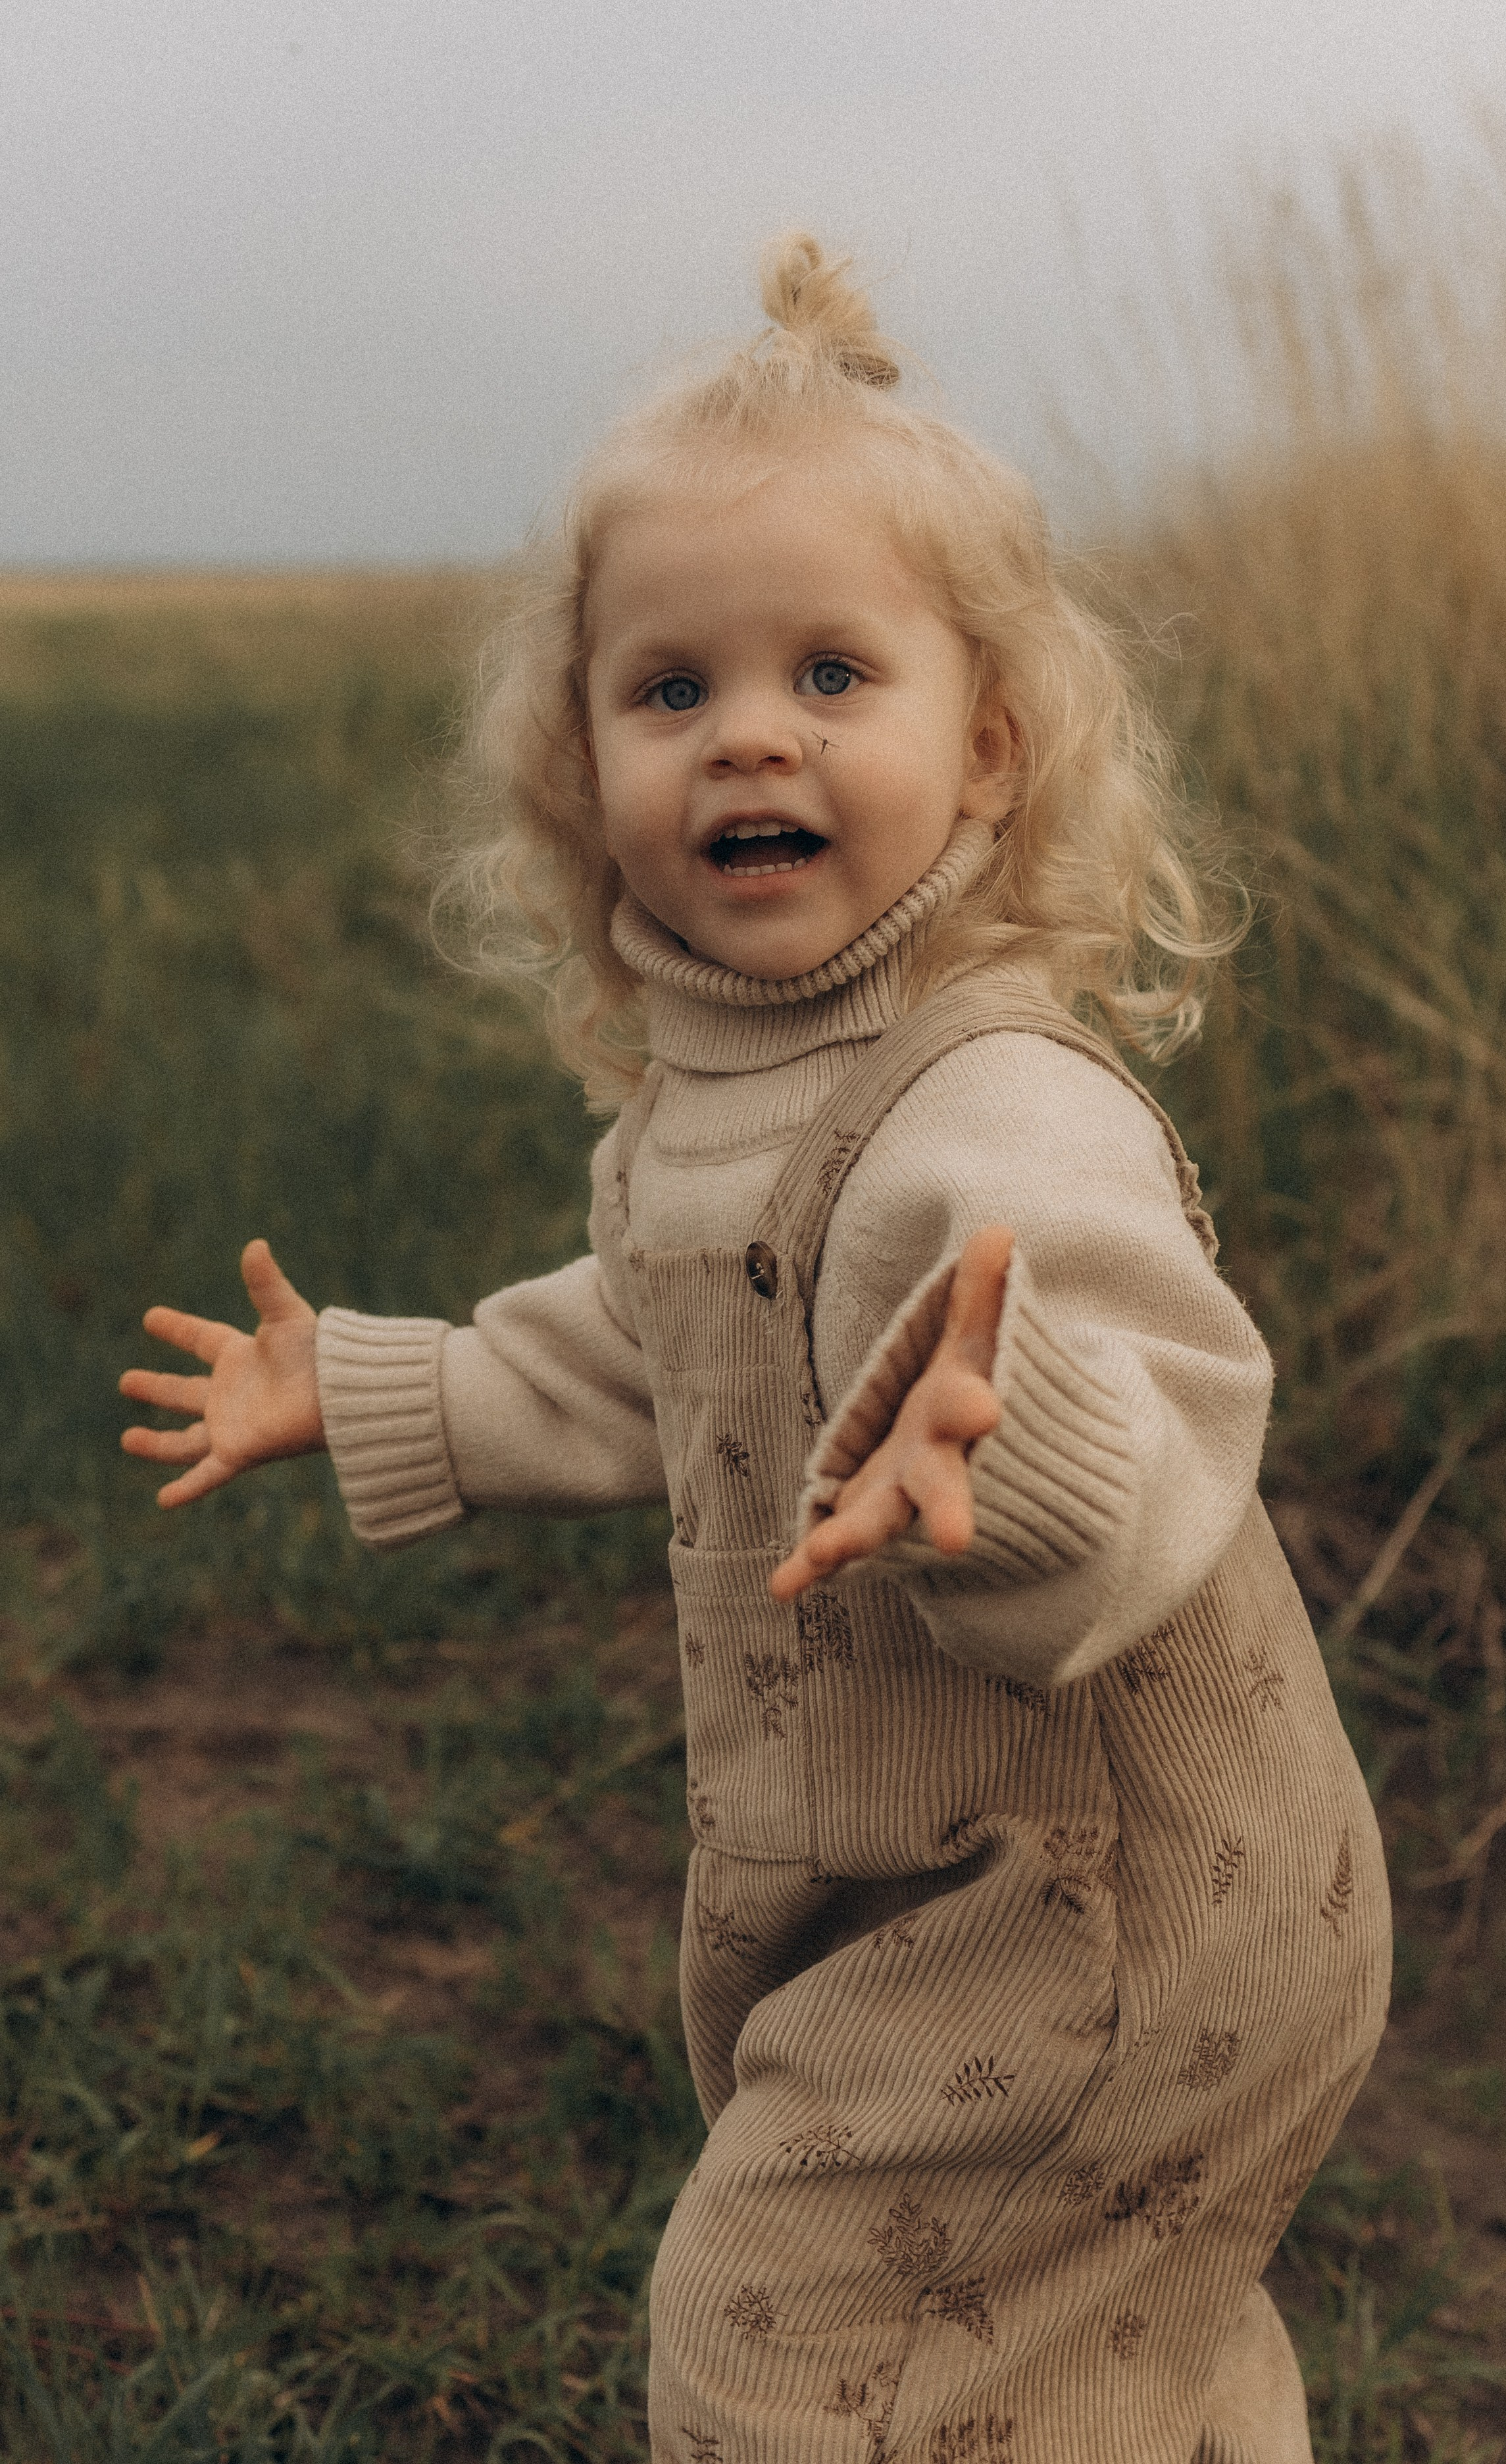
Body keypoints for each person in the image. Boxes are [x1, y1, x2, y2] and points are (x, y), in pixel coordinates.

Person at [120, 234, 1391, 2463]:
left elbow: (1143, 1370)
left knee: (788, 2331)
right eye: (674, 691)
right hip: (998, 1888)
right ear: (583, 762)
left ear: (988, 756)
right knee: (1085, 2320)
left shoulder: (989, 1100)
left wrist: (1011, 1461)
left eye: (832, 670)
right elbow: (649, 1346)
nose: (754, 735)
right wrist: (378, 1381)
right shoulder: (728, 1102)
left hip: (1108, 1908)